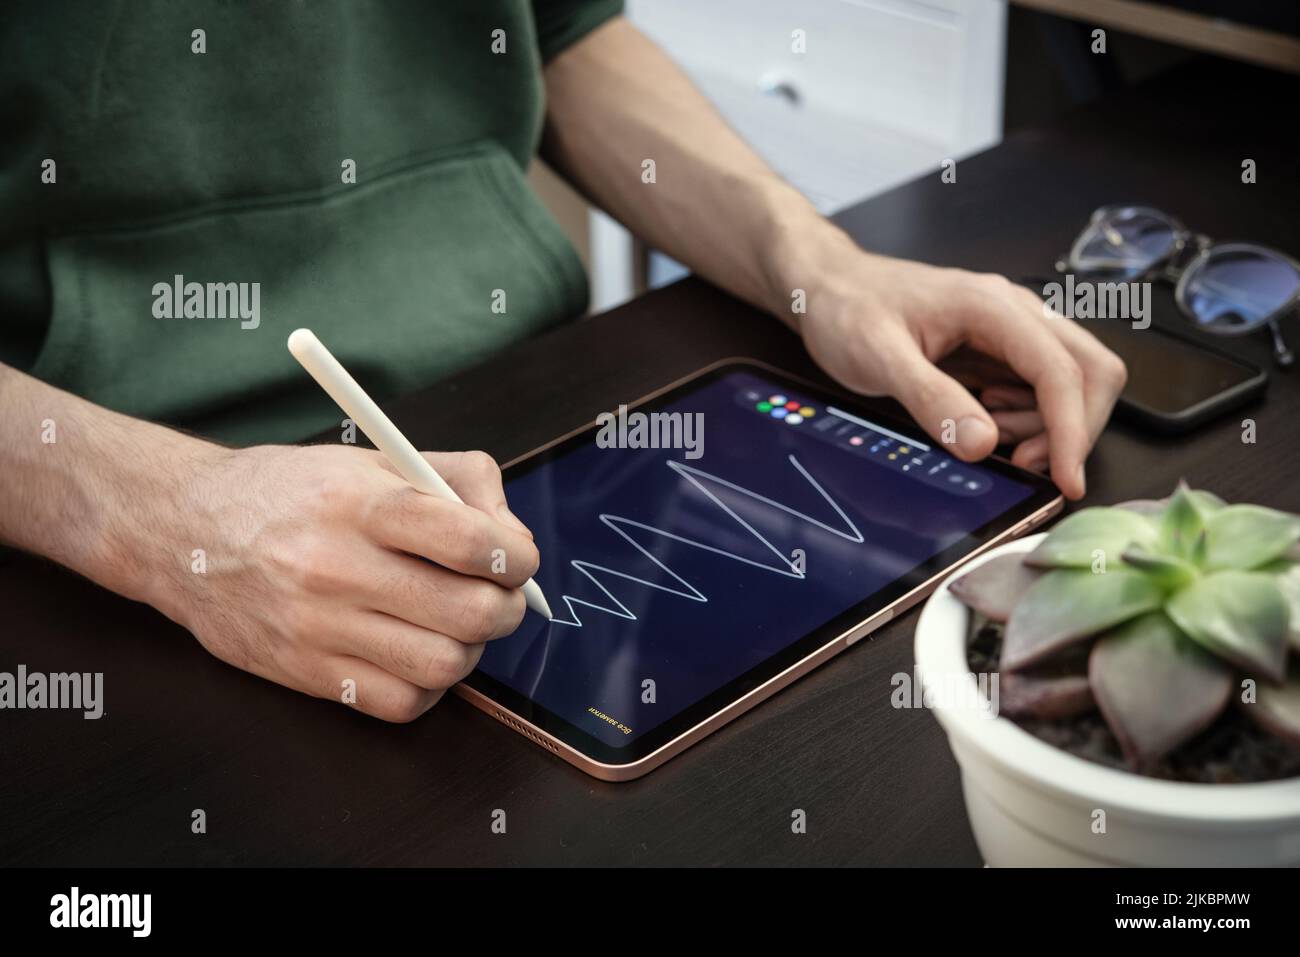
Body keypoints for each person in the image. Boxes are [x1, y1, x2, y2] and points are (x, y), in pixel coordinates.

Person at [0, 2, 1125, 721]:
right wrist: (164, 519)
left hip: (540, 413)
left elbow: (563, 28)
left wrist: (818, 267)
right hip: (108, 544)